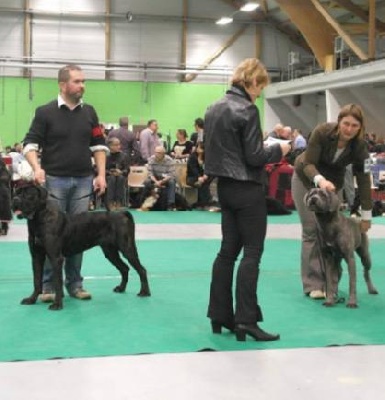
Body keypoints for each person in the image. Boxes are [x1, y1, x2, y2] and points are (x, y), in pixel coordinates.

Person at [204, 58, 291, 342]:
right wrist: (280, 149)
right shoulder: (248, 110)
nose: (259, 93)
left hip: (224, 189)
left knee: (227, 252)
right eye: (259, 87)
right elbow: (254, 157)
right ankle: (246, 320)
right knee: (252, 253)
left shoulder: (213, 107)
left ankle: (219, 315)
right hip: (247, 189)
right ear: (251, 82)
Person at [23, 64, 108, 302]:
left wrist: (100, 174)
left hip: (83, 181)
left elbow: (99, 146)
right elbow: (29, 145)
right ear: (63, 85)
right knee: (51, 236)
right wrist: (37, 168)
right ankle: (49, 286)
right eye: (77, 81)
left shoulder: (90, 112)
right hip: (55, 182)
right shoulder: (44, 112)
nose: (82, 85)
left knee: (78, 236)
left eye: (83, 81)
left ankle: (75, 284)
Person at [291, 103, 372, 300]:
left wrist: (366, 215)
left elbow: (363, 179)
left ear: (360, 127)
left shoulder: (361, 146)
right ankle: (314, 285)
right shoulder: (322, 132)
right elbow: (308, 162)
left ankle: (331, 286)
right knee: (311, 230)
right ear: (339, 121)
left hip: (333, 185)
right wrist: (320, 180)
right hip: (307, 178)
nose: (349, 129)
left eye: (354, 126)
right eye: (346, 124)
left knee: (336, 233)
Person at [144, 145, 176, 210]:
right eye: (155, 152)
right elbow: (150, 173)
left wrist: (161, 182)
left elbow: (171, 175)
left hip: (166, 179)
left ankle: (170, 204)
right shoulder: (151, 159)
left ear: (163, 154)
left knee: (172, 182)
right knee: (147, 182)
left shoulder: (169, 160)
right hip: (155, 178)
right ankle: (146, 202)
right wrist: (156, 182)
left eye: (158, 153)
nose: (156, 154)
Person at [186, 141, 213, 209]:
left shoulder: (207, 157)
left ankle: (201, 203)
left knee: (204, 182)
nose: (197, 148)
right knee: (203, 184)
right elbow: (193, 169)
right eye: (197, 147)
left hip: (204, 177)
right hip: (192, 177)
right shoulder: (192, 157)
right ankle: (205, 203)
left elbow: (209, 167)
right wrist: (199, 177)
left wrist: (205, 175)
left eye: (200, 147)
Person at [105, 137, 130, 210]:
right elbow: (99, 169)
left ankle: (119, 201)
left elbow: (127, 169)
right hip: (108, 176)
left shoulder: (124, 156)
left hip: (120, 176)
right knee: (112, 179)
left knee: (120, 178)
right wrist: (110, 172)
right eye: (116, 145)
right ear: (110, 146)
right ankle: (110, 202)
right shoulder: (105, 155)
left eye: (119, 144)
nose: (118, 146)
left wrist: (121, 172)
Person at [0, 155, 12, 236]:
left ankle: (4, 227)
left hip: (2, 190)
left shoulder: (3, 167)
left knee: (3, 207)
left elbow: (6, 176)